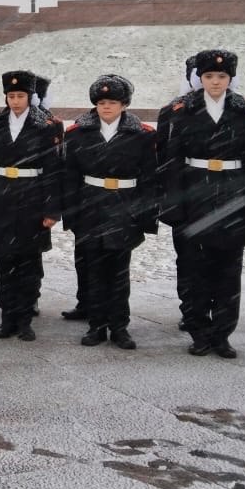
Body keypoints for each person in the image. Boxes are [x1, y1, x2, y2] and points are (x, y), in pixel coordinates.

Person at [160, 49, 245, 359]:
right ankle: (198, 331)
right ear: (199, 78)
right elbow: (171, 161)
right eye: (209, 76)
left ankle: (222, 333)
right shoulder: (181, 111)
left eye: (221, 76)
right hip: (194, 194)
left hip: (232, 199)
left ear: (231, 79)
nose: (215, 82)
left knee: (228, 271)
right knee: (194, 269)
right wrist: (173, 206)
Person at [61, 74, 158, 350]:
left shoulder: (142, 134)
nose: (106, 107)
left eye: (113, 102)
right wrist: (72, 214)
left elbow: (149, 179)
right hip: (90, 205)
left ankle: (119, 327)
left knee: (118, 272)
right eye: (102, 102)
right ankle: (96, 325)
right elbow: (70, 176)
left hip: (124, 206)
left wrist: (145, 217)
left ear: (124, 104)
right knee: (93, 270)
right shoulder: (78, 132)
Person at [0, 71, 64, 341]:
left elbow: (54, 169)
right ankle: (7, 317)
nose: (15, 101)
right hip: (1, 197)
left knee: (28, 261)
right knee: (3, 261)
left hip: (32, 198)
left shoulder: (48, 124)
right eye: (11, 96)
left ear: (30, 96)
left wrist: (52, 209)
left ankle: (25, 318)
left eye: (20, 96)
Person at [155, 55, 200, 332]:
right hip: (184, 195)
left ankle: (215, 309)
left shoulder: (240, 109)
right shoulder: (172, 111)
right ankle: (191, 307)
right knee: (188, 258)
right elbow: (163, 158)